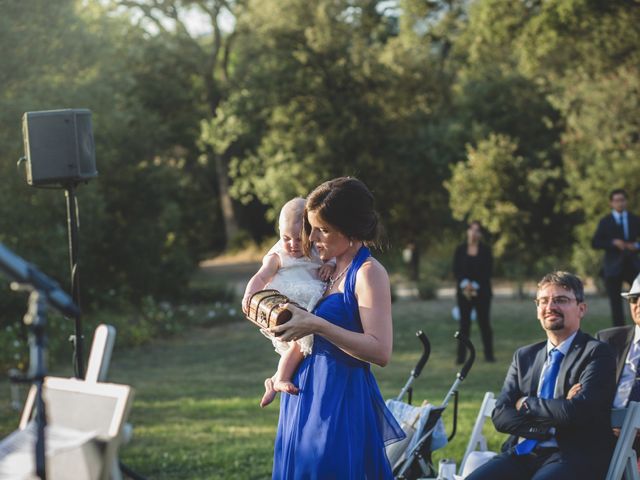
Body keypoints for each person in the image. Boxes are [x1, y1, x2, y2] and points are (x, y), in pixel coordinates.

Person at [266, 177, 405, 479]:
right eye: (311, 227)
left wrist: (317, 324)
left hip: (338, 401)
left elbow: (380, 351)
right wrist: (280, 372)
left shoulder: (368, 273)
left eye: (323, 229)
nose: (311, 237)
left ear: (350, 229)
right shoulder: (322, 268)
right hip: (302, 397)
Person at [467, 271, 616, 480]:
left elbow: (577, 412)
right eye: (544, 301)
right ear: (537, 310)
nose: (550, 307)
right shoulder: (524, 356)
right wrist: (547, 423)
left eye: (561, 300)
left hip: (573, 456)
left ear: (581, 309)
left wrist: (526, 403)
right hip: (522, 453)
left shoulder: (597, 353)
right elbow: (501, 415)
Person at [242, 197, 335, 408]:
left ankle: (274, 379)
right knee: (299, 346)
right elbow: (260, 277)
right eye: (286, 238)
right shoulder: (278, 255)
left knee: (297, 349)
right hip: (285, 307)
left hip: (308, 307)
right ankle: (280, 380)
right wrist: (249, 296)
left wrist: (329, 266)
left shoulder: (316, 252)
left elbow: (333, 263)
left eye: (298, 238)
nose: (292, 245)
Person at [596, 273, 640, 470]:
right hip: (602, 432)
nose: (638, 303)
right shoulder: (608, 339)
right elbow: (587, 390)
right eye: (634, 298)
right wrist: (604, 424)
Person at [592, 188, 640, 326]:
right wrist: (613, 243)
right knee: (615, 303)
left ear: (626, 201)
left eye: (622, 200)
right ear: (611, 203)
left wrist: (636, 245)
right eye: (616, 200)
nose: (620, 203)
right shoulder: (605, 221)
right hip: (613, 267)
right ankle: (619, 332)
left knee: (638, 296)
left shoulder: (634, 219)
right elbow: (595, 242)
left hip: (633, 265)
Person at [453, 220, 494, 363]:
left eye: (477, 230)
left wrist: (475, 285)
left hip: (482, 292)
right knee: (464, 325)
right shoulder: (460, 249)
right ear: (467, 231)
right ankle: (461, 357)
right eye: (472, 229)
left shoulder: (485, 250)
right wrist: (465, 284)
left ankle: (489, 356)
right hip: (464, 293)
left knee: (484, 324)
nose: (474, 233)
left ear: (481, 234)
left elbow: (487, 271)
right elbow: (456, 270)